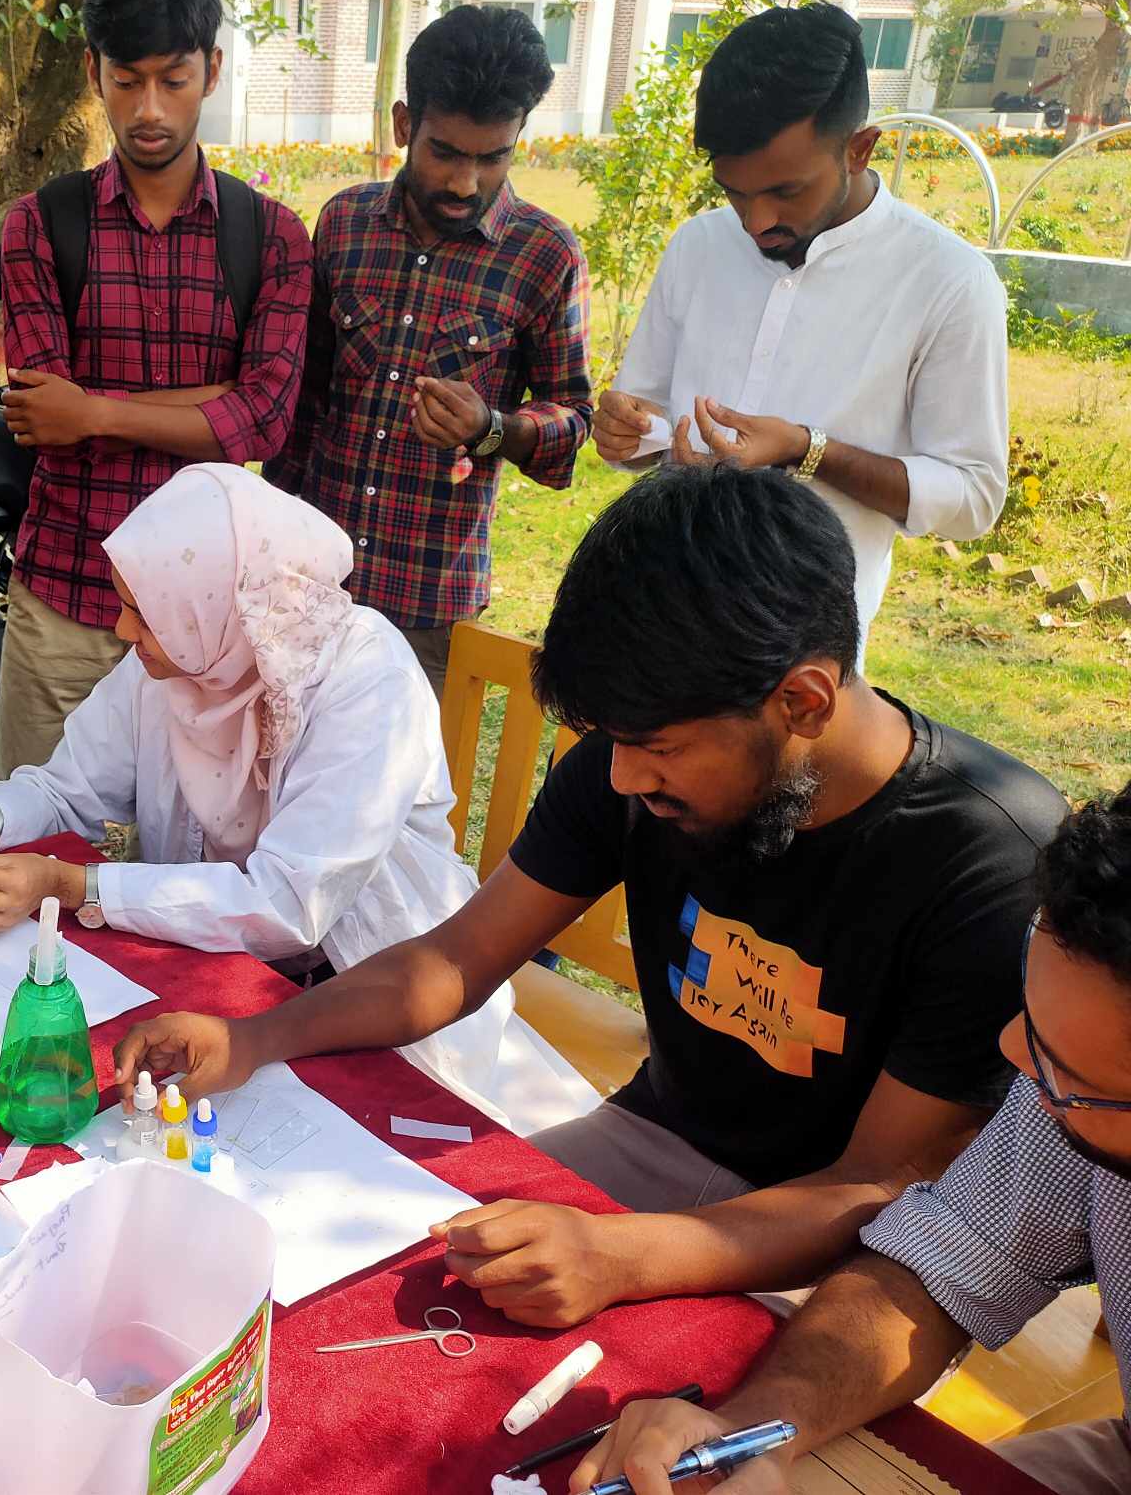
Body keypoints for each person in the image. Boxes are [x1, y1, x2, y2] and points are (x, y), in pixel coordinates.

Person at [112, 462, 1070, 1328]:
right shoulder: (632, 761)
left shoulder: (986, 864)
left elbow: (880, 1185)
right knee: (373, 1293)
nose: (622, 783)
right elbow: (453, 960)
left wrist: (619, 1254)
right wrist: (252, 1038)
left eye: (656, 751)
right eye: (613, 745)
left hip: (843, 1248)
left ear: (804, 704)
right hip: (650, 1137)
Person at [0, 465, 583, 1126]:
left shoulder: (366, 679)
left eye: (142, 612)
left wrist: (75, 883)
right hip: (212, 980)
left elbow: (288, 906)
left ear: (213, 607)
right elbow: (68, 787)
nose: (121, 631)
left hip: (368, 990)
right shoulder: (184, 658)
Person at [577, 784, 1131, 1495]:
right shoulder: (1070, 1088)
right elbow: (937, 1269)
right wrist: (759, 1431)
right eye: (1029, 1019)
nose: (1016, 1056)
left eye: (1066, 1072)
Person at [594, 3, 1006, 642]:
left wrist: (809, 449)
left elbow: (974, 497)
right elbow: (643, 415)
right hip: (656, 624)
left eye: (786, 192)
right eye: (734, 191)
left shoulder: (947, 282)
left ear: (860, 149)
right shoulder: (699, 246)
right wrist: (626, 434)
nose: (756, 222)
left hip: (798, 658)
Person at [0, 0, 311, 783]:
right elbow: (40, 411)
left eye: (174, 79)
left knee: (196, 858)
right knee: (22, 833)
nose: (151, 109)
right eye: (128, 81)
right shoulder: (39, 224)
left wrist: (92, 409)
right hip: (68, 592)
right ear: (95, 73)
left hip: (217, 621)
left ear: (213, 72)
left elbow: (265, 424)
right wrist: (217, 399)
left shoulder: (271, 235)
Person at [263, 5, 592, 697]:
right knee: (276, 784)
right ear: (404, 124)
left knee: (398, 802)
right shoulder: (345, 225)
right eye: (445, 152)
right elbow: (305, 401)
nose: (465, 183)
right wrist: (267, 542)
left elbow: (574, 419)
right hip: (309, 587)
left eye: (492, 157)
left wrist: (492, 429)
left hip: (428, 612)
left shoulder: (546, 255)